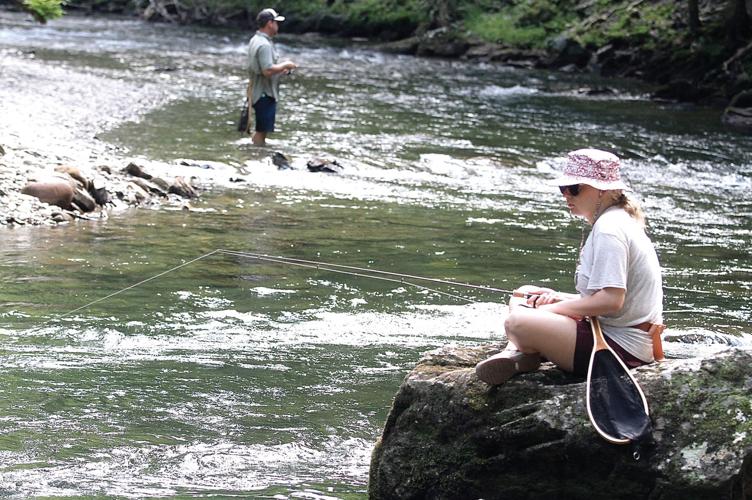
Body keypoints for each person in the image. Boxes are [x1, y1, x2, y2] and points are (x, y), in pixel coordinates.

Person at [475, 148, 664, 385]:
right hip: (606, 331)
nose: (566, 195)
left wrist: (550, 310)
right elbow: (605, 300)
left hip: (618, 350)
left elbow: (611, 301)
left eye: (574, 188)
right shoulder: (613, 220)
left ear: (602, 190)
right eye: (563, 188)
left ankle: (519, 353)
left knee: (517, 321)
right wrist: (556, 298)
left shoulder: (609, 230)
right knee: (523, 294)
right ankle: (520, 355)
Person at [245, 8, 297, 146]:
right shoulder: (264, 44)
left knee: (261, 129)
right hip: (264, 94)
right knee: (262, 131)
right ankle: (257, 155)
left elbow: (262, 68)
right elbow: (267, 70)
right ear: (270, 23)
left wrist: (280, 70)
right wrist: (286, 64)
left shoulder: (256, 40)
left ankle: (255, 153)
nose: (277, 26)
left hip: (257, 91)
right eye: (276, 23)